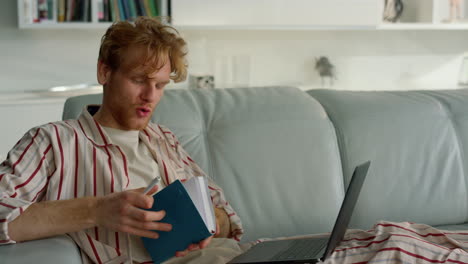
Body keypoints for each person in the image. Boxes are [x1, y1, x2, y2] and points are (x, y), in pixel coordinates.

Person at [0, 17, 243, 264]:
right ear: (105, 72)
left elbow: (228, 217)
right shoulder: (52, 141)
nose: (151, 96)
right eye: (139, 80)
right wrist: (96, 211)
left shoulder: (164, 139)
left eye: (160, 85)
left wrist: (207, 225)